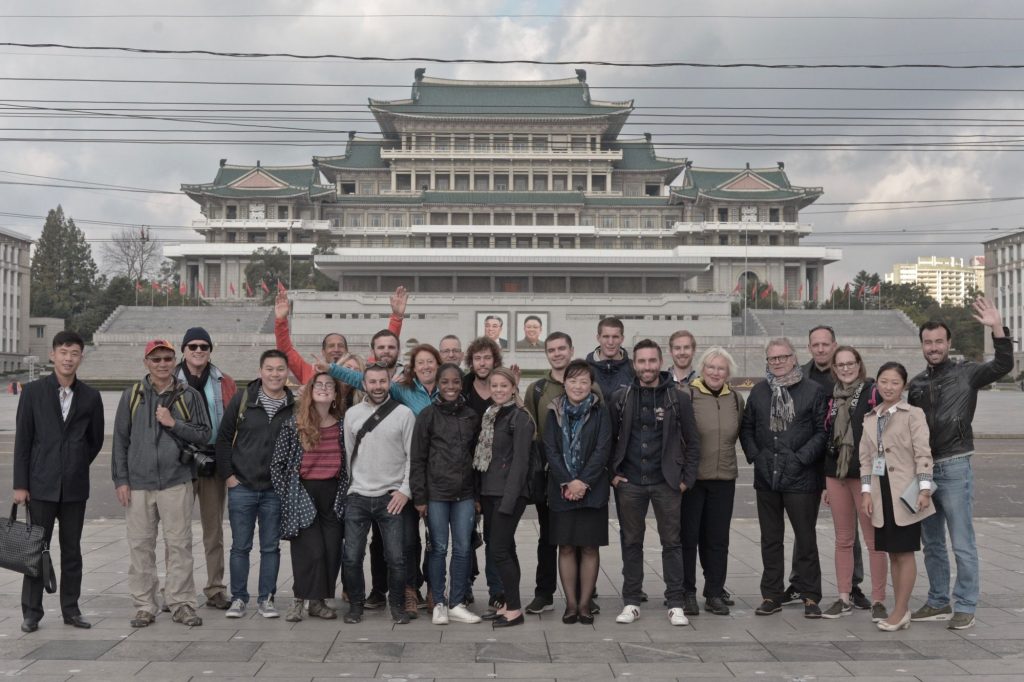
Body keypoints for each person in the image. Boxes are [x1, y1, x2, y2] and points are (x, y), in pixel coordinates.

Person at [908, 298, 1013, 630]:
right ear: (922, 345)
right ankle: (938, 600)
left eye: (939, 341)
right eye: (928, 342)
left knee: (962, 540)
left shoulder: (967, 373)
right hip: (924, 472)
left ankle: (965, 603)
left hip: (954, 466)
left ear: (948, 343)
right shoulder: (917, 384)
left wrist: (997, 328)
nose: (934, 347)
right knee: (932, 542)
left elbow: (1003, 365)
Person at [112, 340, 211, 628]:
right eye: (156, 360)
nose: (163, 364)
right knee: (141, 546)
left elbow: (204, 434)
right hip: (139, 483)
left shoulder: (188, 395)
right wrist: (121, 480)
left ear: (175, 360)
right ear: (146, 362)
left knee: (179, 544)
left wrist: (173, 423)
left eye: (168, 358)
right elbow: (120, 440)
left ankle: (181, 603)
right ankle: (145, 604)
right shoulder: (132, 395)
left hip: (175, 480)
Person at [13, 331, 104, 633]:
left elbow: (94, 441)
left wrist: (74, 463)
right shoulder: (33, 392)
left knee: (72, 550)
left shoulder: (90, 397)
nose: (68, 358)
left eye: (74, 352)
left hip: (75, 488)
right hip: (40, 486)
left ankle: (71, 609)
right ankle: (31, 612)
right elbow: (24, 442)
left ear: (81, 357)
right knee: (35, 550)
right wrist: (21, 485)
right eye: (63, 351)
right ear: (52, 355)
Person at [609, 339, 700, 627]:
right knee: (631, 543)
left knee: (672, 543)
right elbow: (608, 439)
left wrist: (686, 479)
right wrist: (612, 474)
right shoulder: (621, 397)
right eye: (641, 361)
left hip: (667, 483)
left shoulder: (678, 397)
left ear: (660, 362)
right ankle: (632, 601)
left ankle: (675, 602)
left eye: (651, 361)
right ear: (634, 364)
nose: (646, 367)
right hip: (630, 482)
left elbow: (693, 442)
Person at [740, 337, 827, 619]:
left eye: (782, 357)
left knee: (805, 539)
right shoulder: (759, 392)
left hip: (801, 478)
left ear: (793, 357)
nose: (777, 362)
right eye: (772, 358)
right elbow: (747, 428)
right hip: (767, 477)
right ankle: (771, 595)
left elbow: (821, 432)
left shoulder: (812, 391)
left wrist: (800, 459)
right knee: (770, 539)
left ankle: (810, 595)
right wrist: (757, 456)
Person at [215, 349, 295, 619]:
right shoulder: (243, 400)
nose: (275, 374)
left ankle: (266, 599)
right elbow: (224, 439)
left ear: (287, 373)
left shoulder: (294, 406)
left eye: (280, 369)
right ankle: (239, 598)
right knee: (240, 546)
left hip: (274, 490)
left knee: (271, 547)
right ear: (261, 371)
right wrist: (229, 476)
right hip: (243, 487)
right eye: (270, 369)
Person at [860, 362, 935, 631]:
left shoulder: (913, 414)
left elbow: (923, 454)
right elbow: (866, 460)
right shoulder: (870, 417)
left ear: (903, 386)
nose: (888, 387)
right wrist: (866, 493)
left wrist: (925, 489)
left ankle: (901, 610)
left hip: (906, 494)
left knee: (905, 553)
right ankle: (899, 610)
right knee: (892, 553)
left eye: (894, 382)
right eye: (883, 381)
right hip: (881, 495)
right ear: (876, 384)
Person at [340, 363, 416, 625]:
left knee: (395, 557)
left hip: (391, 496)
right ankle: (356, 606)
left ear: (389, 383)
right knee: (351, 557)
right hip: (358, 495)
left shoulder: (404, 414)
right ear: (364, 384)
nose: (377, 387)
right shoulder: (351, 415)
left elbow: (412, 457)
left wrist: (405, 491)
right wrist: (350, 489)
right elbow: (349, 455)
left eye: (382, 381)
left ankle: (396, 605)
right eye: (372, 382)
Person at [270, 371, 348, 622]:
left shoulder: (343, 425)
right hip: (303, 492)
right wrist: (287, 494)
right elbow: (277, 465)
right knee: (310, 550)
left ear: (336, 394)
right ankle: (298, 599)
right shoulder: (295, 424)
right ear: (310, 392)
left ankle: (318, 601)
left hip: (333, 493)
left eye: (329, 386)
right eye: (319, 385)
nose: (324, 388)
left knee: (331, 550)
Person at [410, 363, 483, 625]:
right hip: (436, 494)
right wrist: (420, 497)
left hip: (464, 495)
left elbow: (477, 460)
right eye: (445, 382)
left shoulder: (472, 416)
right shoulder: (427, 416)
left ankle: (457, 602)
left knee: (463, 548)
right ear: (438, 385)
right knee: (438, 548)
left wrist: (477, 496)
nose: (450, 387)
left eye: (455, 382)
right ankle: (439, 601)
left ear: (461, 384)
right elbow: (417, 460)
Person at [821, 346, 888, 621]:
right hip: (836, 476)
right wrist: (825, 483)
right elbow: (829, 441)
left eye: (850, 363)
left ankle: (879, 600)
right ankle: (843, 597)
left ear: (859, 365)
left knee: (874, 541)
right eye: (840, 365)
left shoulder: (873, 393)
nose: (846, 368)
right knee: (843, 539)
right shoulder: (833, 398)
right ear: (835, 369)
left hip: (866, 478)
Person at [542, 360, 611, 625]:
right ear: (564, 383)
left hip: (592, 490)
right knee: (567, 547)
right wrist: (569, 481)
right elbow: (550, 449)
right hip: (562, 491)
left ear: (590, 384)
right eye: (573, 380)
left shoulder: (600, 411)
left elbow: (602, 449)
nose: (578, 386)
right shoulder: (553, 411)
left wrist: (583, 482)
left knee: (590, 547)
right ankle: (570, 604)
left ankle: (585, 605)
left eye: (584, 381)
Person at [174, 326, 237, 612]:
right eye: (193, 346)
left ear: (211, 350)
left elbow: (234, 425)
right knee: (177, 532)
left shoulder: (224, 382)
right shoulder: (170, 379)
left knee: (213, 531)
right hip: (179, 464)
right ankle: (176, 591)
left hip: (211, 463)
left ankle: (215, 588)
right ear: (183, 350)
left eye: (204, 347)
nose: (198, 351)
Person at [679, 346, 743, 617]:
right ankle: (687, 592)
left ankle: (714, 592)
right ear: (702, 369)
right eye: (711, 367)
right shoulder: (687, 395)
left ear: (728, 373)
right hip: (692, 480)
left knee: (718, 539)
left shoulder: (736, 399)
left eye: (721, 368)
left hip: (724, 478)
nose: (716, 372)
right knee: (688, 538)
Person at [522, 332, 577, 616]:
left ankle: (581, 595)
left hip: (581, 477)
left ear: (571, 350)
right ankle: (544, 593)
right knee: (548, 537)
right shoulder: (538, 389)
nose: (557, 354)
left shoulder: (586, 384)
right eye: (552, 350)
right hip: (549, 475)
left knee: (579, 537)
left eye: (561, 348)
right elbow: (531, 433)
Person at [475, 367, 534, 628]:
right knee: (504, 549)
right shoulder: (490, 415)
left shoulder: (520, 418)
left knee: (499, 550)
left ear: (513, 388)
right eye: (494, 386)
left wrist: (509, 501)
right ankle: (511, 603)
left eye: (503, 386)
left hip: (508, 495)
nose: (498, 390)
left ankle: (514, 610)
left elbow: (520, 463)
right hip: (490, 492)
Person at [274, 286, 407, 383]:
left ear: (347, 351)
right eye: (331, 346)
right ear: (323, 352)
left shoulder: (361, 372)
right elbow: (286, 350)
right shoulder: (308, 372)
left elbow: (385, 347)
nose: (336, 349)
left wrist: (397, 317)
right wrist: (281, 320)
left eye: (340, 346)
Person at [586, 317, 634, 397]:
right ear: (598, 338)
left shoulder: (633, 368)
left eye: (615, 337)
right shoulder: (584, 368)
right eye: (606, 337)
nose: (610, 342)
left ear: (622, 339)